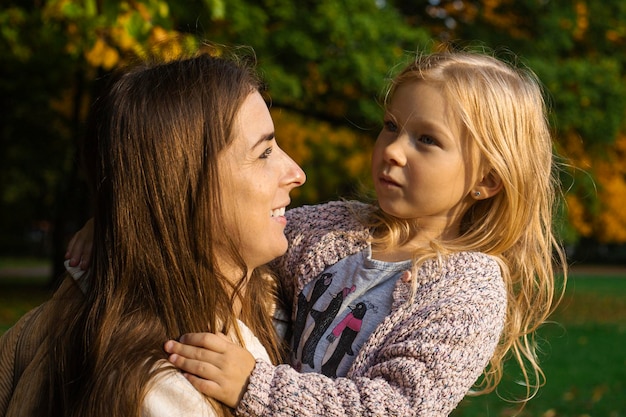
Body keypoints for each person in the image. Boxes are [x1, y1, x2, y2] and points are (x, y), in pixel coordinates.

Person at [161, 50, 568, 416]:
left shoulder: (468, 288)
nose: (393, 149)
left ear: (488, 179)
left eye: (426, 140)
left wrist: (256, 387)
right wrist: (108, 226)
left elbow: (397, 406)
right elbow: (229, 228)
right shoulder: (333, 229)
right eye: (391, 126)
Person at [0, 51, 305, 417]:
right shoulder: (165, 395)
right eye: (264, 152)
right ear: (183, 190)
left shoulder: (278, 299)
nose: (296, 172)